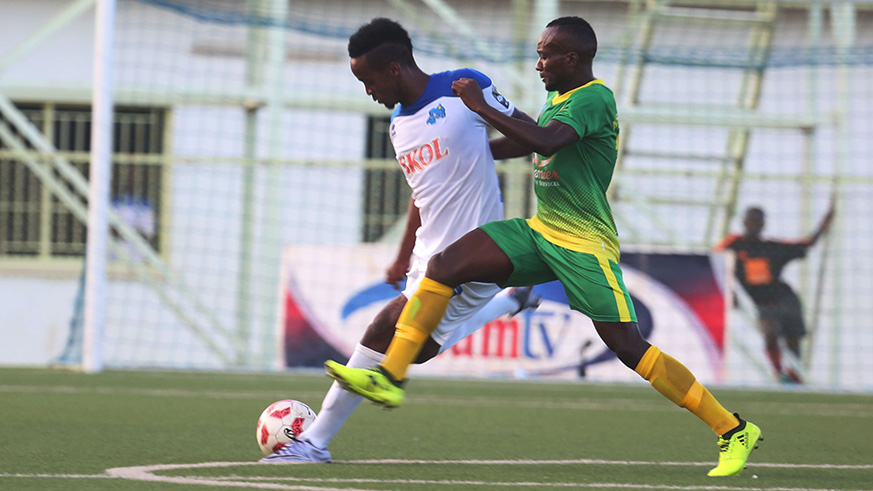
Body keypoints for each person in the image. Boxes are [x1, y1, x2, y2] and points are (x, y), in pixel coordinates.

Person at [325, 16, 763, 477]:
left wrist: (479, 107)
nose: (538, 65)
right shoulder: (559, 96)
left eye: (545, 55)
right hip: (541, 230)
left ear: (571, 59)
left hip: (583, 243)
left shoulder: (595, 98)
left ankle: (732, 428)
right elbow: (530, 145)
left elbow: (547, 139)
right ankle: (391, 377)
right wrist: (470, 148)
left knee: (628, 345)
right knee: (445, 263)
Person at [261, 17, 540, 463]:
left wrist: (481, 128)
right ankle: (512, 302)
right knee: (419, 350)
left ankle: (313, 444)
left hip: (473, 257)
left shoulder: (463, 87)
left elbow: (529, 134)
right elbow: (422, 193)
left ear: (393, 69)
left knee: (382, 328)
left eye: (367, 79)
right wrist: (403, 255)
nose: (367, 90)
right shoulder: (397, 125)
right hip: (429, 257)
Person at [715, 202, 835, 384]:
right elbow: (713, 261)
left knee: (793, 339)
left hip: (787, 299)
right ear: (744, 222)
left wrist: (825, 222)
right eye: (750, 220)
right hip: (764, 303)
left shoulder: (772, 247)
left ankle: (794, 376)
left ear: (763, 224)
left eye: (758, 221)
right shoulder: (734, 244)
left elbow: (807, 243)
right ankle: (779, 373)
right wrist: (730, 293)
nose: (753, 224)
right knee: (770, 332)